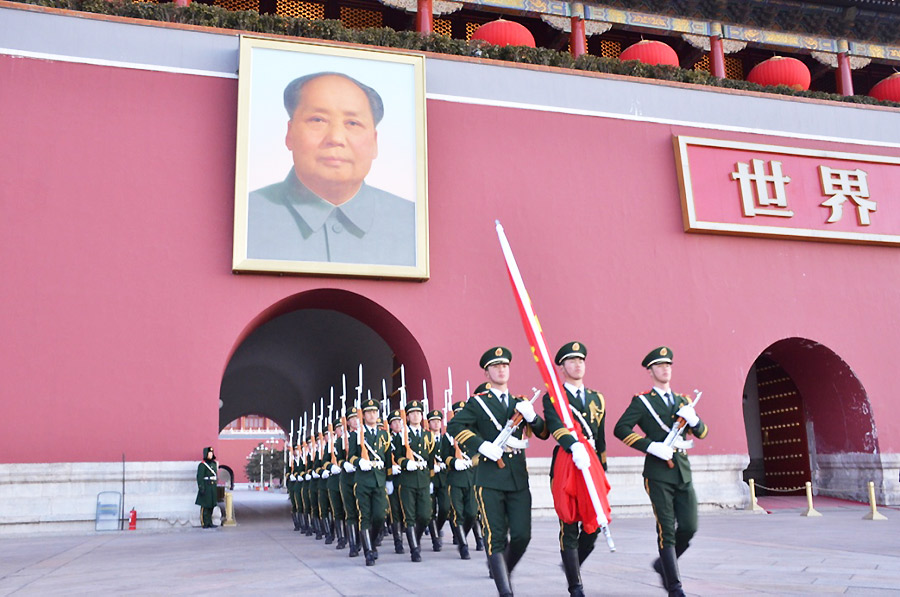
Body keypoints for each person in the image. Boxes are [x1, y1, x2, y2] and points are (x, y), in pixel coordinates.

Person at [247, 72, 416, 266]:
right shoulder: (246, 217)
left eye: (352, 123)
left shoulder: (413, 224)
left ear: (375, 142)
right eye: (318, 120)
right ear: (289, 134)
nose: (336, 138)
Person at [447, 347, 548, 597]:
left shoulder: (520, 403)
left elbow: (544, 433)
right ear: (487, 373)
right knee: (496, 536)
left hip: (517, 479)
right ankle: (505, 591)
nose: (502, 369)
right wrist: (481, 445)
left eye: (505, 365)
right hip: (490, 478)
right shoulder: (478, 402)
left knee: (523, 535)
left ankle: (504, 567)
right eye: (496, 366)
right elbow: (454, 426)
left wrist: (533, 417)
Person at [614, 346, 708, 597]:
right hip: (657, 473)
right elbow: (621, 429)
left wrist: (695, 420)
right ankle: (675, 586)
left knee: (689, 526)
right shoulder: (643, 401)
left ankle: (662, 564)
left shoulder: (684, 401)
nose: (665, 369)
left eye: (668, 365)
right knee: (666, 529)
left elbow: (703, 433)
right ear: (650, 371)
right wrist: (650, 446)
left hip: (683, 472)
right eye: (659, 366)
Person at [542, 342, 607, 597]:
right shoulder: (554, 397)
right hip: (566, 462)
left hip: (591, 464)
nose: (577, 364)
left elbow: (600, 438)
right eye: (571, 361)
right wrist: (573, 444)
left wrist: (603, 470)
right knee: (568, 523)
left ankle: (572, 564)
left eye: (580, 360)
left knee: (595, 524)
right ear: (562, 368)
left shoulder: (596, 398)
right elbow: (556, 428)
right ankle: (575, 587)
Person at [348, 398, 391, 566]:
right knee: (364, 517)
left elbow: (387, 458)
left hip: (379, 481)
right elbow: (351, 456)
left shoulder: (384, 435)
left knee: (380, 515)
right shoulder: (356, 435)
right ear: (363, 415)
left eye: (375, 411)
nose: (373, 414)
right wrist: (360, 462)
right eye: (369, 412)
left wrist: (389, 480)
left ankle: (371, 542)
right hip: (363, 480)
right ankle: (368, 552)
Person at [393, 399, 437, 562]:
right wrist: (405, 463)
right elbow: (396, 456)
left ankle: (415, 539)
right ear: (408, 416)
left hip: (424, 478)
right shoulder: (402, 436)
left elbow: (431, 457)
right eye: (412, 413)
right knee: (409, 516)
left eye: (418, 413)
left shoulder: (428, 435)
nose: (416, 416)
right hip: (408, 479)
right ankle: (414, 549)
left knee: (425, 515)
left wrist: (431, 478)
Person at [443, 399, 478, 560]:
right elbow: (444, 456)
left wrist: (471, 461)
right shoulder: (448, 436)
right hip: (455, 479)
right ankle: (463, 546)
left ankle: (461, 534)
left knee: (471, 512)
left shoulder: (474, 434)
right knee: (457, 513)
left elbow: (481, 452)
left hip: (472, 478)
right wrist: (454, 462)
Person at [428, 409, 449, 549]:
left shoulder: (446, 439)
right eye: (433, 421)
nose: (436, 423)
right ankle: (435, 538)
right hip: (430, 478)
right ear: (429, 423)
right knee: (430, 510)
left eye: (438, 421)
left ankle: (437, 526)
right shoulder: (425, 438)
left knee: (445, 508)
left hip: (444, 479)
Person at [386, 409, 406, 554]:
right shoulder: (387, 439)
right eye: (394, 422)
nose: (398, 424)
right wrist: (390, 472)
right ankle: (398, 541)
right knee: (395, 510)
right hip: (393, 478)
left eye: (399, 421)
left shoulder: (407, 437)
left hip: (407, 478)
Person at [195, 446, 218, 529]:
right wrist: (201, 488)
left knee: (211, 505)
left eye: (212, 453)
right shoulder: (202, 465)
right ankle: (204, 522)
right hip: (206, 487)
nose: (211, 454)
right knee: (205, 506)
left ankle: (209, 522)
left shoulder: (214, 464)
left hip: (212, 487)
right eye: (209, 453)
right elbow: (200, 477)